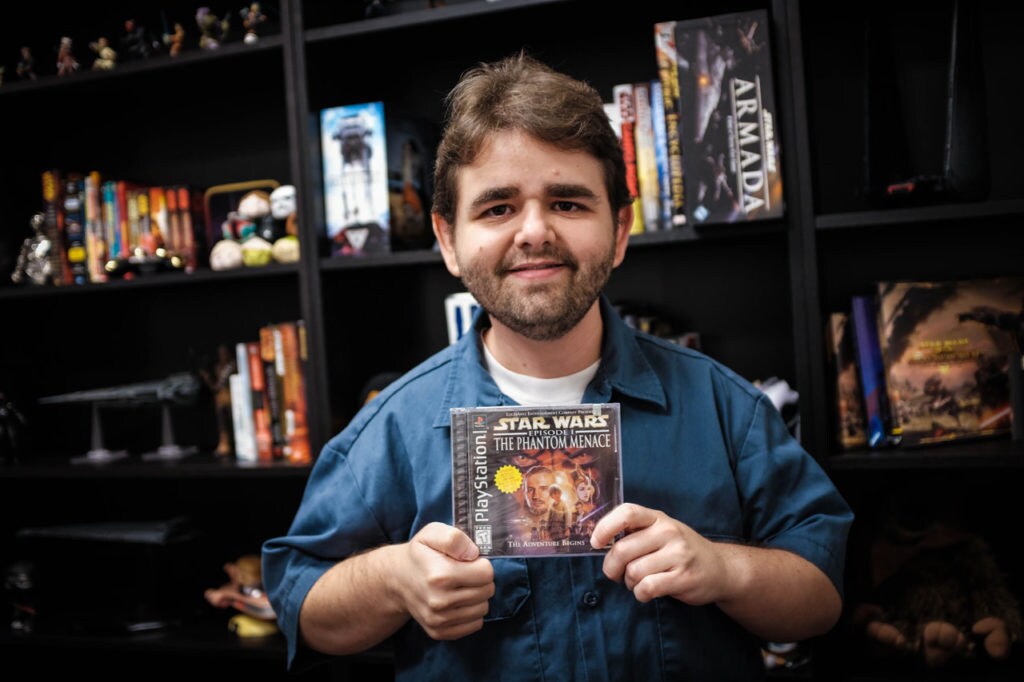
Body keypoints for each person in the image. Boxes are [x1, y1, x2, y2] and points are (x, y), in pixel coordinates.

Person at [262, 51, 853, 680]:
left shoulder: (726, 408)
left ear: (620, 231)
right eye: (497, 208)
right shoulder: (391, 429)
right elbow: (301, 605)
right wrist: (390, 579)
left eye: (569, 203)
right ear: (448, 241)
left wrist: (726, 569)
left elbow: (820, 599)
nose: (535, 231)